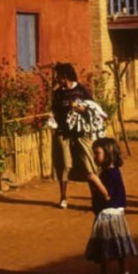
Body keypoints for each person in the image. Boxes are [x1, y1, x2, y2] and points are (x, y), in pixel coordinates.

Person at [84, 137, 136, 274]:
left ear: (108, 154)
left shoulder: (108, 174)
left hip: (108, 215)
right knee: (120, 244)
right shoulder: (114, 171)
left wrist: (95, 180)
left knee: (105, 246)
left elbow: (107, 195)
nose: (94, 157)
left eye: (97, 153)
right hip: (118, 214)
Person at [50, 62, 99, 209]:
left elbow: (92, 109)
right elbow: (54, 111)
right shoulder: (58, 93)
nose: (57, 80)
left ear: (65, 77)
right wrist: (52, 120)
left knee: (89, 163)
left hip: (80, 131)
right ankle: (63, 197)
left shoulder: (81, 90)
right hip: (63, 132)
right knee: (64, 164)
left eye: (58, 77)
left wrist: (81, 108)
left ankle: (95, 197)